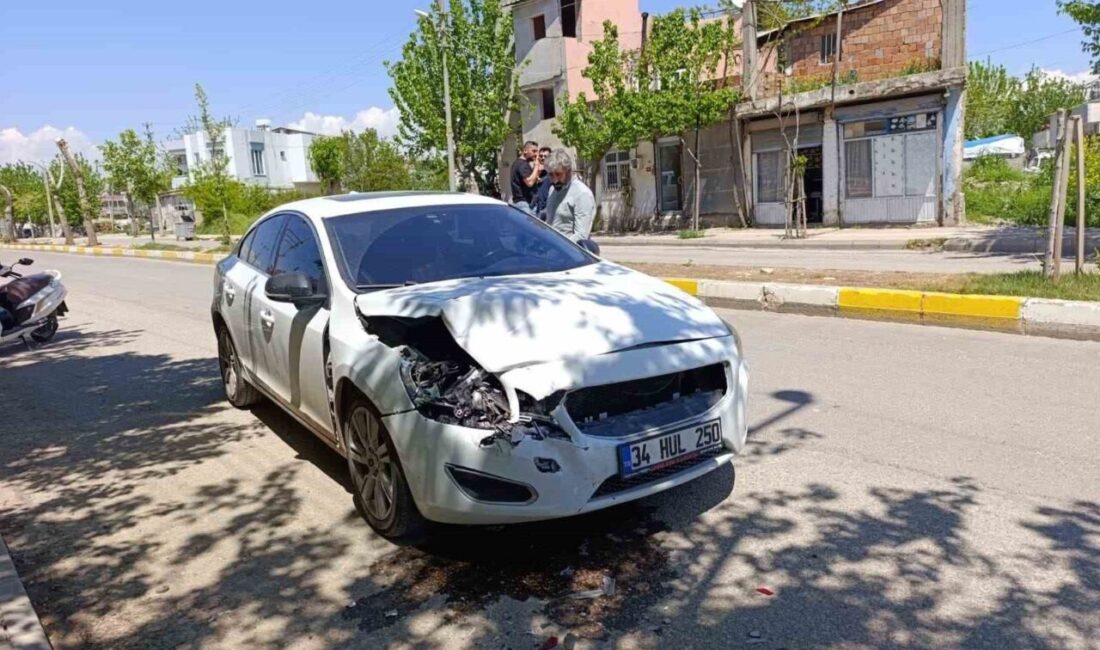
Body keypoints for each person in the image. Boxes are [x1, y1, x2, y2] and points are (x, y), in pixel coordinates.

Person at [544, 149, 596, 245]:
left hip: (569, 253)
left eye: (558, 174)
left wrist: (560, 248)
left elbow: (581, 235)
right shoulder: (552, 190)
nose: (555, 180)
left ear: (568, 172)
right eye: (551, 175)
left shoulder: (582, 194)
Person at [508, 141, 541, 216]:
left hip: (523, 203)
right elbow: (529, 183)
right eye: (534, 151)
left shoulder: (518, 163)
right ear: (525, 150)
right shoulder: (522, 164)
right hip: (525, 204)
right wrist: (536, 166)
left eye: (537, 152)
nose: (536, 154)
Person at [533, 146, 553, 219]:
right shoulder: (536, 172)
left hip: (548, 208)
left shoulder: (553, 171)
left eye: (545, 156)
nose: (543, 158)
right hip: (537, 208)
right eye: (541, 156)